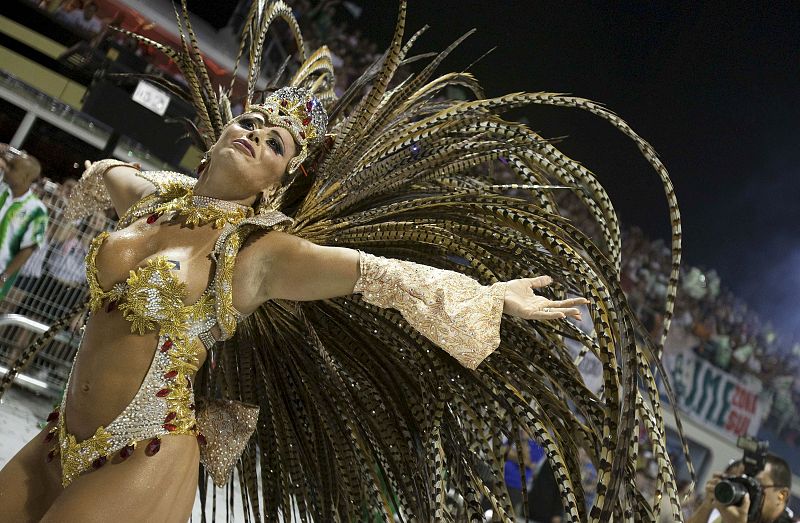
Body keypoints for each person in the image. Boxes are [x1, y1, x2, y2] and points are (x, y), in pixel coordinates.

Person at [0, 2, 685, 521]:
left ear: (274, 183)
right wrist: (42, 168)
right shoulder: (152, 197)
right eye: (253, 123)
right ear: (219, 136)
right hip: (64, 429)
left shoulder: (259, 255)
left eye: (274, 144)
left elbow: (380, 275)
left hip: (143, 450)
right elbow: (98, 172)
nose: (257, 135)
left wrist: (492, 295)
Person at [0, 145, 48, 301]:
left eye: (13, 168)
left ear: (26, 177)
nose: (7, 169)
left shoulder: (36, 210)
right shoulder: (1, 189)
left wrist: (5, 277)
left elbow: (28, 248)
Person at [687, 455, 792, 523]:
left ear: (782, 495)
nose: (746, 492)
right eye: (742, 482)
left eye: (755, 486)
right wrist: (707, 505)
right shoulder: (727, 517)